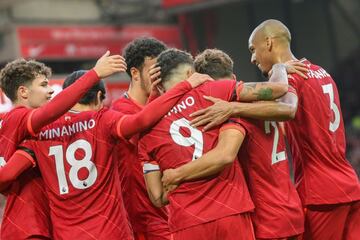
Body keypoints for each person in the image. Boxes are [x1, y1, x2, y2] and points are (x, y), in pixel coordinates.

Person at [190, 19, 360, 240]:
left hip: (321, 193)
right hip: (349, 183)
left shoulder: (288, 77)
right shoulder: (322, 72)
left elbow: (286, 108)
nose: (252, 58)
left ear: (268, 43)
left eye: (253, 49)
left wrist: (231, 107)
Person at [0, 68, 210, 239]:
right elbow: (142, 121)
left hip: (65, 235)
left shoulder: (39, 135)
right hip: (110, 231)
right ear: (100, 96)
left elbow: (7, 175)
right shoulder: (104, 121)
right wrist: (183, 86)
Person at [139, 48, 298, 240]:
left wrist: (177, 177)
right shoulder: (214, 93)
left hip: (185, 222)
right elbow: (280, 91)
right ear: (191, 74)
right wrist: (279, 68)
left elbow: (158, 197)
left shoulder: (147, 130)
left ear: (159, 86)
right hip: (231, 210)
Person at [0, 52, 126, 239]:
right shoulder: (19, 117)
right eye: (44, 85)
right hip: (29, 227)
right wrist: (94, 74)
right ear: (23, 92)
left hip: (34, 225)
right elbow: (4, 176)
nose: (51, 90)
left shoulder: (25, 128)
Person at [111, 37, 171, 240]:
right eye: (153, 70)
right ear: (135, 73)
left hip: (170, 212)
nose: (158, 77)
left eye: (161, 70)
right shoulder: (120, 112)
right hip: (143, 221)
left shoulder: (167, 107)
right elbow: (143, 126)